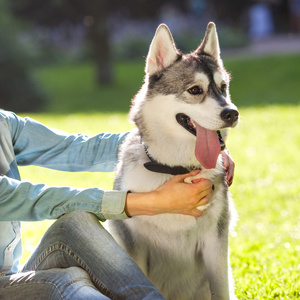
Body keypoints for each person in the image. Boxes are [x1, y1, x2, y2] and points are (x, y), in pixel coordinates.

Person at [0, 110, 234, 299]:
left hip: (11, 277)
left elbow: (78, 149)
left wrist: (195, 144)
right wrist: (149, 202)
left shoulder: (4, 124)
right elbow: (16, 196)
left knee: (75, 222)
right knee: (63, 281)